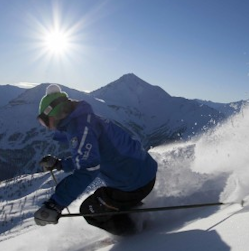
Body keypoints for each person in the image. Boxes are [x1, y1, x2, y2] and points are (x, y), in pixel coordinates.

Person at [33, 84, 158, 235]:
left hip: (133, 182)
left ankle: (140, 235)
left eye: (43, 121)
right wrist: (60, 164)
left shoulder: (80, 130)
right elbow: (90, 155)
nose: (45, 126)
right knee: (104, 202)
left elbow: (88, 168)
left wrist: (55, 204)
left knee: (89, 210)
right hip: (141, 173)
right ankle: (135, 215)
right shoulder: (82, 120)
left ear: (54, 114)